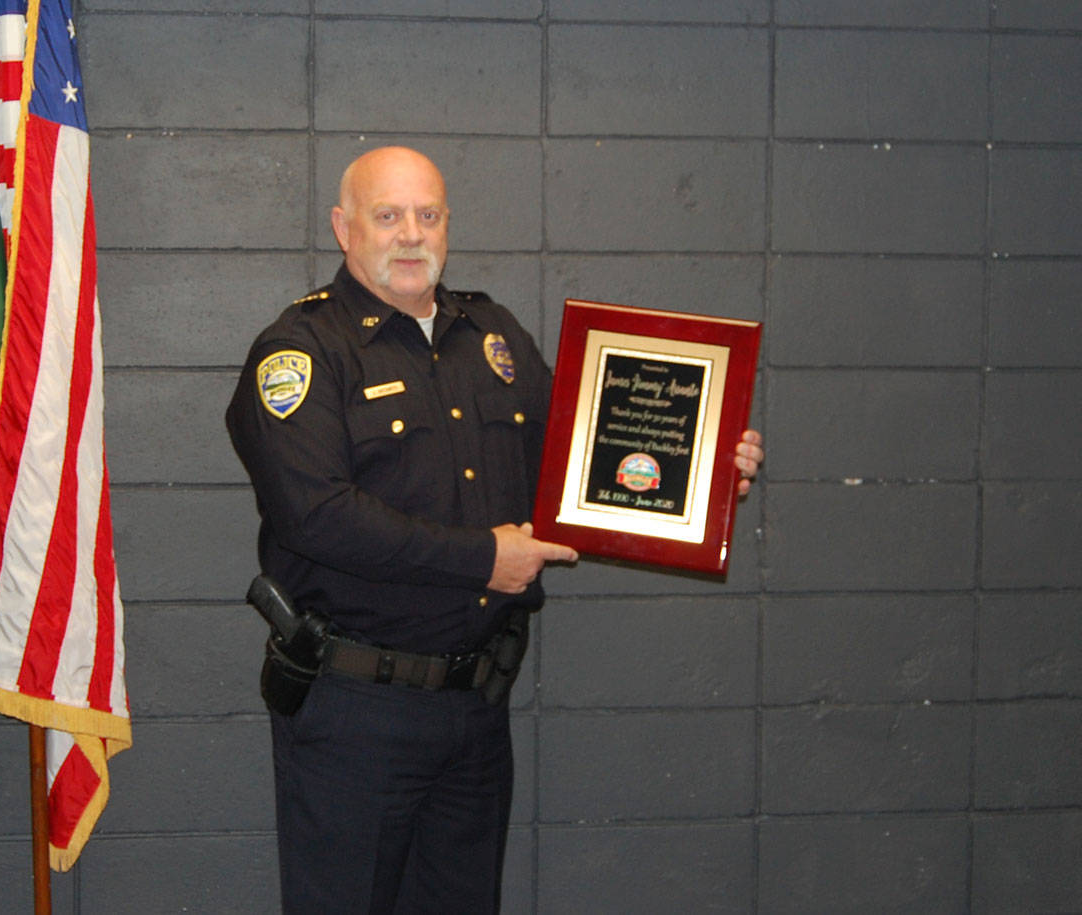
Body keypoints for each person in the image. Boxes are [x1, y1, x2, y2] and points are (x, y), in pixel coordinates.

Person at [227, 146, 764, 913]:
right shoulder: (302, 351)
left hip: (474, 710)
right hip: (355, 714)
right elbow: (317, 515)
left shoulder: (492, 335)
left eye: (429, 214)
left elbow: (580, 460)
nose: (411, 234)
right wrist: (484, 559)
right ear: (345, 229)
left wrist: (707, 466)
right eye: (388, 216)